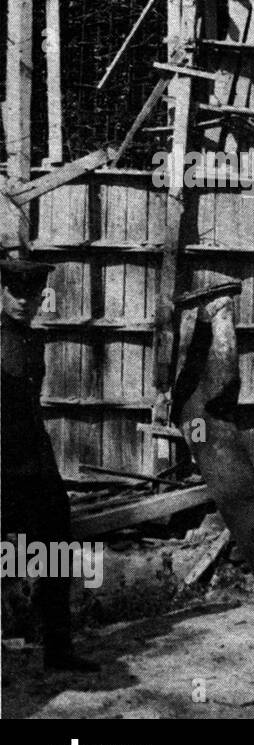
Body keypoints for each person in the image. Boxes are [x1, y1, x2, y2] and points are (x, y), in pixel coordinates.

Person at [0, 258, 98, 671]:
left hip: (36, 463)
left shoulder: (33, 341)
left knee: (57, 550)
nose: (24, 302)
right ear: (2, 292)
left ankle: (58, 650)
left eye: (31, 295)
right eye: (15, 293)